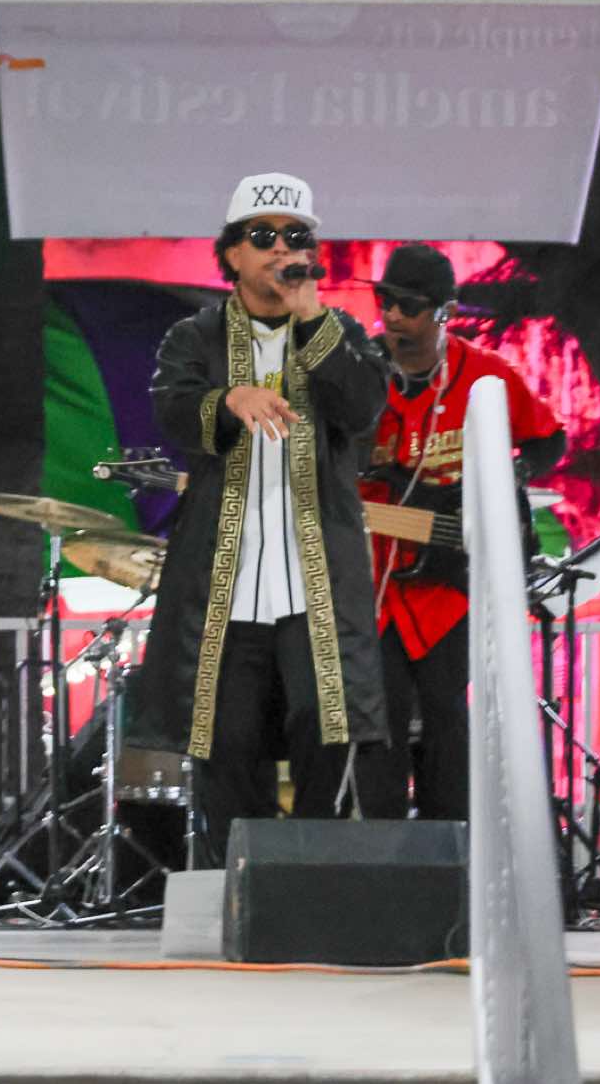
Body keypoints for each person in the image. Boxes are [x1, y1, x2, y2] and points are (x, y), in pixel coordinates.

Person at [128, 172, 392, 861]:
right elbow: (171, 409)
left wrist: (314, 320)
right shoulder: (195, 336)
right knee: (225, 737)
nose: (281, 248)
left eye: (295, 236)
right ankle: (235, 878)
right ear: (233, 253)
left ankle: (313, 876)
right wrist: (228, 400)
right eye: (264, 235)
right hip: (226, 583)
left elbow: (364, 408)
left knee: (325, 726)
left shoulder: (341, 331)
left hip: (316, 584)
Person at [356, 242, 565, 821]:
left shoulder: (487, 374)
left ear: (444, 312)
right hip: (378, 582)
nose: (392, 314)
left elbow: (550, 439)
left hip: (453, 585)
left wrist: (505, 480)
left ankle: (450, 847)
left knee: (447, 717)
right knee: (379, 721)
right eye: (384, 300)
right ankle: (383, 851)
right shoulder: (361, 377)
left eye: (408, 305)